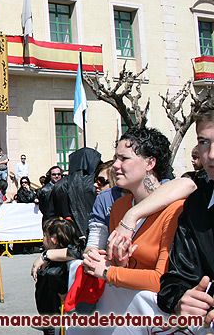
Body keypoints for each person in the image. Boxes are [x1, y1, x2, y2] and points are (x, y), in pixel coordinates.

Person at [78, 128, 183, 332]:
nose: (115, 166)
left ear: (150, 163)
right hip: (125, 317)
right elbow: (127, 268)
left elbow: (161, 280)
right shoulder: (119, 206)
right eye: (116, 158)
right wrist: (111, 261)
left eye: (123, 158)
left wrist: (109, 271)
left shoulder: (174, 209)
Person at [154, 105, 214, 323]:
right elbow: (176, 278)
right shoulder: (196, 205)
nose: (211, 154)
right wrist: (181, 300)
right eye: (204, 142)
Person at [34, 218, 81, 335]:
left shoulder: (55, 263)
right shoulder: (57, 258)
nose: (43, 238)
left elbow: (54, 274)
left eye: (44, 236)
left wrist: (62, 291)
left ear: (53, 240)